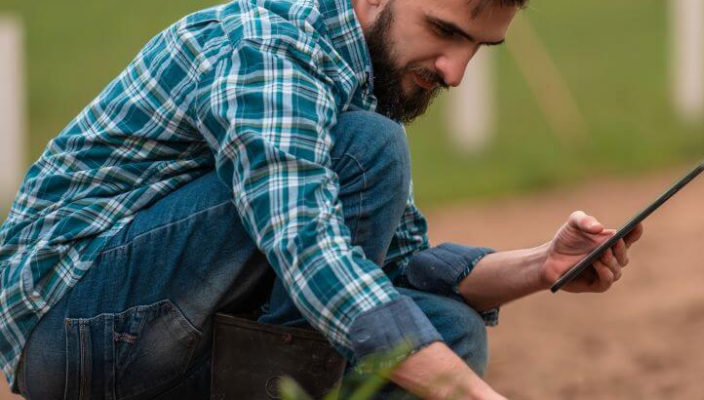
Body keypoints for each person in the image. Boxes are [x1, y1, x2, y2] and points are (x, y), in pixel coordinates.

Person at [0, 0, 643, 399]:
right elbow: (311, 253)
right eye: (444, 31)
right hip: (73, 328)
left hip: (164, 335)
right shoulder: (272, 47)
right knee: (369, 148)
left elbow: (393, 268)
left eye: (476, 47)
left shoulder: (356, 72)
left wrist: (541, 267)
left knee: (448, 332)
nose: (455, 71)